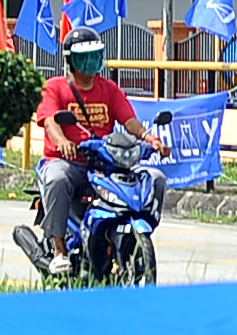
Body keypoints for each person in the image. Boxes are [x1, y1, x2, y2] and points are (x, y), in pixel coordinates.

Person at [34, 32, 163, 275]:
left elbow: (129, 121)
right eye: (86, 58)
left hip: (104, 164)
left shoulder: (109, 89)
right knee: (57, 180)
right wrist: (63, 142)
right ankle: (59, 249)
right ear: (71, 60)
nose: (92, 63)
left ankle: (135, 234)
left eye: (95, 56)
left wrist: (149, 138)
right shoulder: (55, 87)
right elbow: (50, 122)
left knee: (154, 177)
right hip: (67, 161)